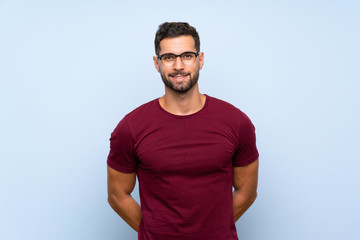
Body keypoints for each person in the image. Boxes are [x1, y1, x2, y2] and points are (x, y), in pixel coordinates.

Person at [107, 22, 259, 240]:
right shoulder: (130, 128)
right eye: (168, 57)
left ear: (201, 59)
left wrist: (211, 229)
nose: (178, 65)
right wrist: (154, 231)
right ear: (157, 64)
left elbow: (247, 191)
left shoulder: (236, 122)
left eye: (187, 55)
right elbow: (116, 195)